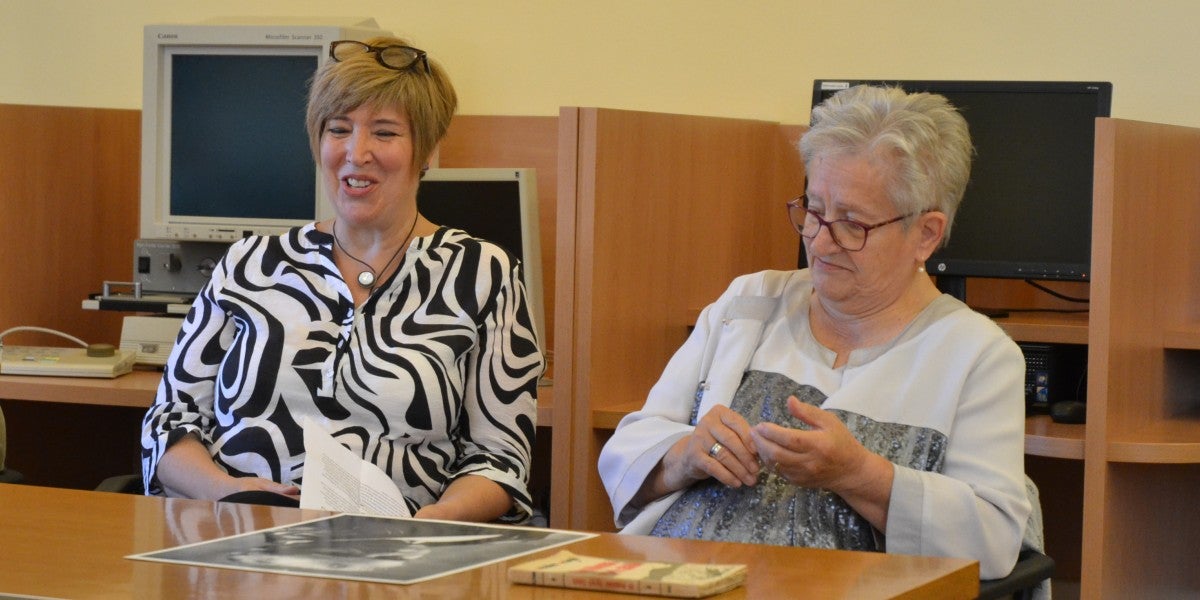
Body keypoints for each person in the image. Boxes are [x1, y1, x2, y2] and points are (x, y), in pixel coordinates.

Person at [597, 84, 1032, 579]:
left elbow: (994, 540)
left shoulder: (976, 354)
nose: (820, 241)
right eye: (814, 209)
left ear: (926, 234)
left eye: (853, 224)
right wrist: (686, 455)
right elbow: (624, 454)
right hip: (681, 583)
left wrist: (860, 475)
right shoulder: (748, 304)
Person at [141, 36, 544, 524]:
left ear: (428, 150)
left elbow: (500, 459)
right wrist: (224, 492)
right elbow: (168, 423)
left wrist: (432, 526)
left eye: (385, 133)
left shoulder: (482, 274)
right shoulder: (248, 264)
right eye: (339, 129)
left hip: (401, 556)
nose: (357, 153)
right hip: (239, 547)